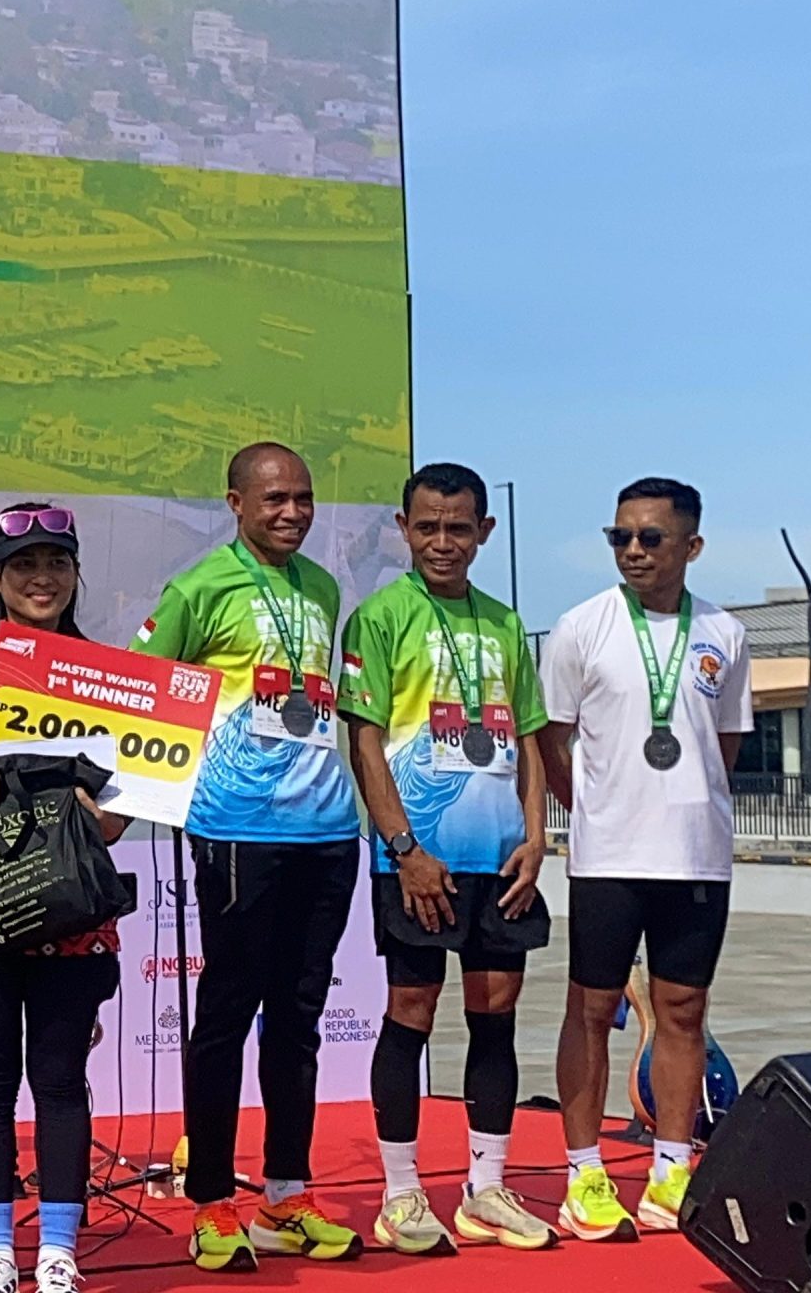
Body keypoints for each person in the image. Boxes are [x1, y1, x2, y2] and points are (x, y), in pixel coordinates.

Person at [127, 441, 360, 1272]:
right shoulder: (198, 588)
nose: (292, 513)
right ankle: (212, 1203)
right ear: (235, 503)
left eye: (303, 498)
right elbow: (145, 692)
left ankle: (286, 1195)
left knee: (298, 1019)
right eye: (274, 500)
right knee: (226, 1014)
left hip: (326, 830)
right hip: (235, 830)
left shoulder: (323, 587)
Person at [338, 464, 557, 1255]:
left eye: (458, 528)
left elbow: (528, 739)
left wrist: (536, 837)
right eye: (427, 526)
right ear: (403, 528)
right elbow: (366, 741)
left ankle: (486, 1188)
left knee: (495, 1017)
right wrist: (404, 849)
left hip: (499, 863)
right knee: (413, 1013)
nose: (442, 542)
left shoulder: (504, 622)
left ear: (483, 532)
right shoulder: (379, 617)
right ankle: (400, 1194)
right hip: (419, 859)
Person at [0, 504, 125, 1293]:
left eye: (57, 564)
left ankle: (60, 1253)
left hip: (73, 912)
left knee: (62, 1079)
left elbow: (136, 786)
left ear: (75, 574)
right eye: (24, 565)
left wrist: (108, 817)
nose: (42, 578)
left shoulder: (105, 673)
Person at [541, 477, 750, 1241]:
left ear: (691, 546)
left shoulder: (725, 633)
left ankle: (669, 1170)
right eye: (619, 537)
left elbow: (722, 746)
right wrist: (596, 810)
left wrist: (682, 804)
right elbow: (551, 740)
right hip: (609, 858)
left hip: (695, 856)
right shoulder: (581, 627)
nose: (633, 550)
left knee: (683, 1013)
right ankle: (584, 1173)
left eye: (650, 538)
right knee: (593, 1010)